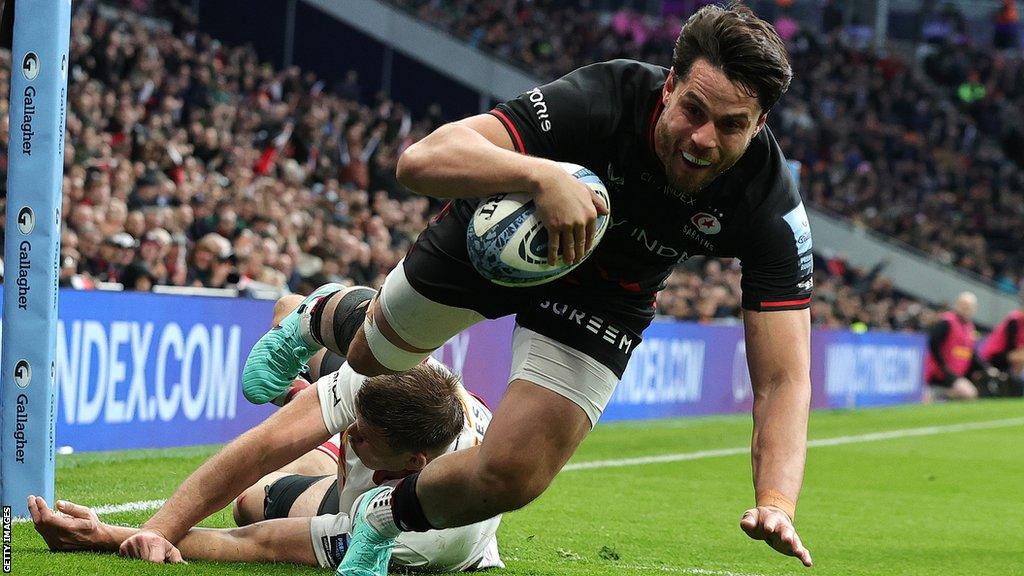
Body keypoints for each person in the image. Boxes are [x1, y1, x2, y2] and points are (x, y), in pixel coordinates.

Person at [134, 4, 815, 572]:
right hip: (498, 239)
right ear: (668, 85)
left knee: (514, 475)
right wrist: (539, 177)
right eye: (692, 110)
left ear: (760, 126)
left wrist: (776, 500)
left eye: (730, 126)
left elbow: (782, 379)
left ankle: (382, 514)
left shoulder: (770, 205)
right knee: (375, 363)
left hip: (606, 295)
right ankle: (318, 315)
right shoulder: (603, 97)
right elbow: (421, 159)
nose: (701, 139)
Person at [36, 295, 501, 572]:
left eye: (362, 435)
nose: (352, 434)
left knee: (249, 505)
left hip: (383, 509)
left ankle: (309, 411)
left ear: (412, 464)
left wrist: (105, 535)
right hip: (405, 420)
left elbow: (257, 542)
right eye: (350, 422)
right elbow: (257, 449)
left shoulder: (406, 533)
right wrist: (161, 527)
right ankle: (309, 372)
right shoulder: (385, 378)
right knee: (287, 307)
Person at [924, 292, 999, 400]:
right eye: (963, 305)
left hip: (956, 374)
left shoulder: (969, 327)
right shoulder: (947, 322)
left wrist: (986, 368)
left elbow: (971, 353)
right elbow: (933, 344)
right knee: (969, 393)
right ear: (957, 305)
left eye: (969, 306)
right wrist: (944, 367)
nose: (966, 309)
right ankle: (941, 396)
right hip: (941, 375)